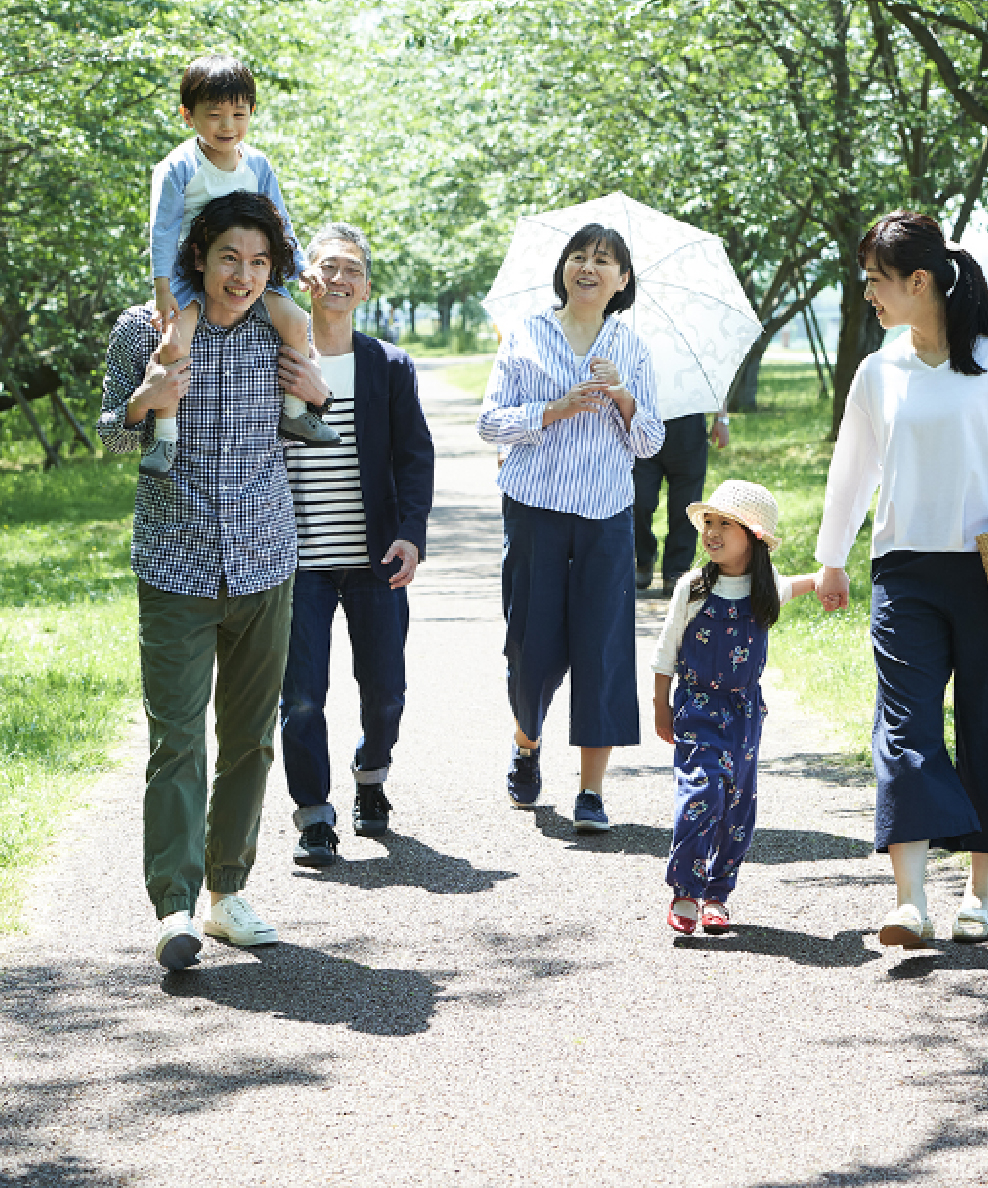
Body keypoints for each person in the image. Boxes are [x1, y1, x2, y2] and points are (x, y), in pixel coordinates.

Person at [97, 191, 330, 971]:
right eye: (230, 256)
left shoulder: (279, 327)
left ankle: (228, 892)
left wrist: (321, 394)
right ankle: (173, 906)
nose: (245, 274)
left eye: (260, 262)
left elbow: (316, 408)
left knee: (250, 739)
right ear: (199, 256)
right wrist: (144, 401)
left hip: (266, 560)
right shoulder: (148, 329)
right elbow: (107, 433)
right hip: (175, 563)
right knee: (178, 740)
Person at [816, 210, 988, 948]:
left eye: (876, 282)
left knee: (984, 731)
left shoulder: (985, 357)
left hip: (983, 571)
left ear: (920, 282)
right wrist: (832, 557)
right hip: (904, 572)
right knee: (906, 728)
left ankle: (979, 896)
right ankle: (910, 901)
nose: (868, 296)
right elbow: (853, 468)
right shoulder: (879, 368)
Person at [477, 223, 665, 832]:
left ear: (622, 280)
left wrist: (622, 395)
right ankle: (526, 742)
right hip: (534, 511)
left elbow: (651, 440)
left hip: (607, 517)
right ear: (564, 269)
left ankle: (591, 791)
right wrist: (553, 410)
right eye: (579, 257)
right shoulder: (527, 334)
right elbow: (489, 422)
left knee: (603, 651)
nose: (589, 267)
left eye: (603, 261)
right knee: (530, 646)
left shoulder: (632, 347)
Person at [278, 222, 434, 866]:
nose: (338, 279)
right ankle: (314, 815)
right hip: (293, 560)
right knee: (302, 696)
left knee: (386, 690)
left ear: (365, 288)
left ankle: (370, 776)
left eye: (351, 271)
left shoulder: (388, 364)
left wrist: (409, 536)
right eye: (327, 267)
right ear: (306, 278)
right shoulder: (274, 355)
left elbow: (413, 456)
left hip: (373, 559)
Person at [145, 52, 337, 476]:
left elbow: (280, 220)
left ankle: (294, 411)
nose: (227, 126)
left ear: (252, 112)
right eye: (213, 114)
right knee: (176, 343)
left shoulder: (257, 164)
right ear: (187, 116)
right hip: (188, 269)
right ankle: (165, 437)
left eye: (238, 113)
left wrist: (299, 266)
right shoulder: (178, 167)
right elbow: (161, 231)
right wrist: (162, 289)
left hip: (248, 266)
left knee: (294, 322)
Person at [652, 480, 822, 934]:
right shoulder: (693, 588)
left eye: (725, 523)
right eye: (709, 521)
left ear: (755, 537)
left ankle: (717, 894)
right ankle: (685, 890)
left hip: (745, 713)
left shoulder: (764, 590)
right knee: (702, 792)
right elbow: (665, 651)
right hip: (696, 707)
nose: (712, 531)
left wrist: (828, 580)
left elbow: (802, 584)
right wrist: (659, 706)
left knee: (737, 806)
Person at [633, 411, 730, 594]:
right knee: (639, 502)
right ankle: (643, 557)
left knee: (685, 507)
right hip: (644, 424)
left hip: (689, 427)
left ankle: (676, 571)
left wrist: (721, 419)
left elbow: (715, 382)